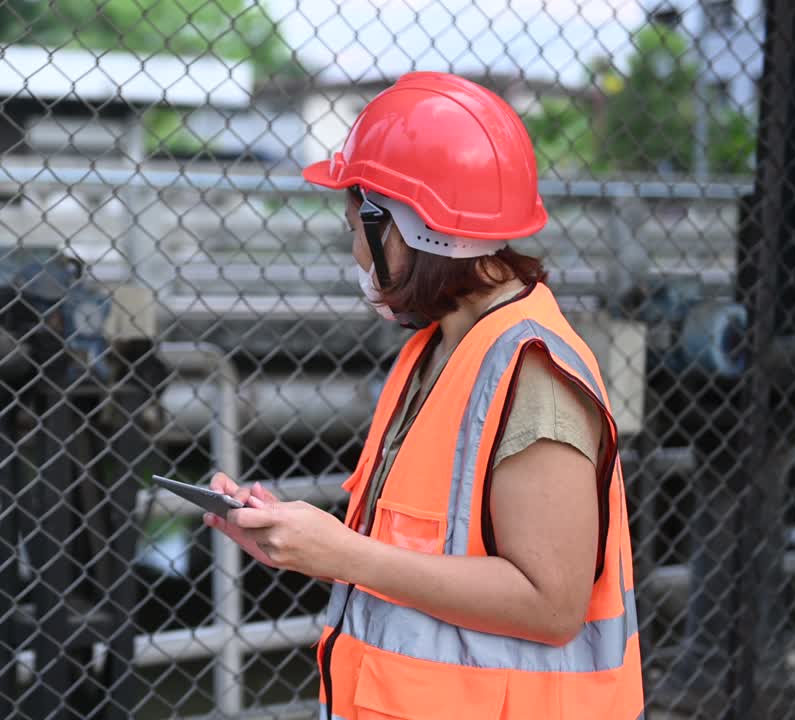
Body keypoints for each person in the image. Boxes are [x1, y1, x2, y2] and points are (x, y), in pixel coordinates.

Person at [203, 72, 645, 719]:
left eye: (358, 225)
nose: (354, 250)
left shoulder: (532, 372)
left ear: (406, 228)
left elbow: (551, 606)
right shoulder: (440, 349)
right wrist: (303, 542)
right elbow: (425, 556)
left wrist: (347, 555)